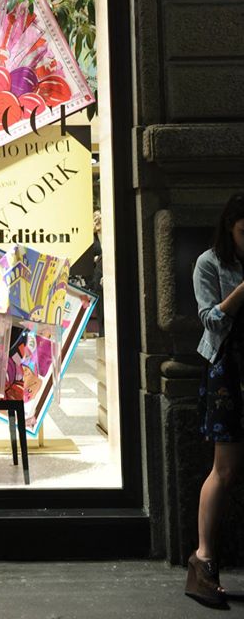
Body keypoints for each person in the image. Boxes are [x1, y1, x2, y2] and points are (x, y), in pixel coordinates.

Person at [186, 192, 244, 608]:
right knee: (224, 468)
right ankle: (203, 558)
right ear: (230, 228)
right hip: (229, 370)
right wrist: (241, 291)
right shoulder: (209, 263)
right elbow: (210, 319)